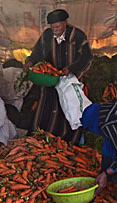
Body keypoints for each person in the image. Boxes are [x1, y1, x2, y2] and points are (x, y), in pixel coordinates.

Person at [25, 8, 92, 142]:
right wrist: (30, 61)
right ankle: (40, 140)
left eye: (57, 26)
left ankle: (67, 142)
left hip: (70, 81)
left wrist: (72, 69)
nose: (54, 29)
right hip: (50, 79)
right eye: (52, 27)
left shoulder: (77, 36)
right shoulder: (47, 35)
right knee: (46, 108)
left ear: (65, 23)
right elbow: (37, 52)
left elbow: (87, 57)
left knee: (69, 109)